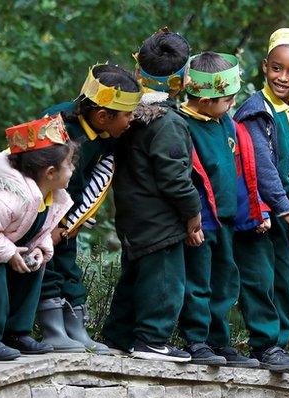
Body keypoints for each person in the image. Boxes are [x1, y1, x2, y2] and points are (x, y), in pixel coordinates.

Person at [99, 28, 201, 362]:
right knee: (165, 281)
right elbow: (175, 178)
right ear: (183, 78)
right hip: (161, 221)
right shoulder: (167, 123)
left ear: (138, 70)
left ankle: (119, 334)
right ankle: (152, 338)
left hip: (132, 213)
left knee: (134, 275)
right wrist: (192, 213)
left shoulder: (128, 116)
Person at [39, 63, 142, 354]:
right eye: (127, 115)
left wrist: (70, 223)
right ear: (101, 116)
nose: (131, 121)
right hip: (42, 217)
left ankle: (75, 329)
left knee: (69, 265)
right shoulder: (57, 124)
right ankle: (52, 329)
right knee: (50, 266)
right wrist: (51, 225)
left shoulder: (106, 137)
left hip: (68, 219)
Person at [232, 28, 289, 375]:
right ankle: (265, 344)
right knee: (259, 277)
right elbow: (262, 167)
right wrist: (285, 207)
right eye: (277, 68)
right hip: (259, 211)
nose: (283, 77)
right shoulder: (256, 111)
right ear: (265, 67)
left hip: (286, 214)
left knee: (283, 277)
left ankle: (280, 344)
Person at [0, 115, 74, 360]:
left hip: (11, 247)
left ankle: (17, 332)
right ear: (50, 172)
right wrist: (9, 252)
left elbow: (41, 228)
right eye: (70, 164)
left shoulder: (52, 195)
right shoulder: (12, 194)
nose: (74, 169)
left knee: (35, 267)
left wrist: (39, 249)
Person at [174, 51, 258, 367]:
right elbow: (183, 177)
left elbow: (237, 170)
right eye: (227, 99)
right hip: (200, 220)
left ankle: (219, 341)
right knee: (199, 280)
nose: (232, 104)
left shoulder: (225, 123)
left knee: (225, 280)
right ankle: (197, 339)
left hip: (227, 219)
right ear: (206, 99)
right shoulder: (183, 125)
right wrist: (190, 220)